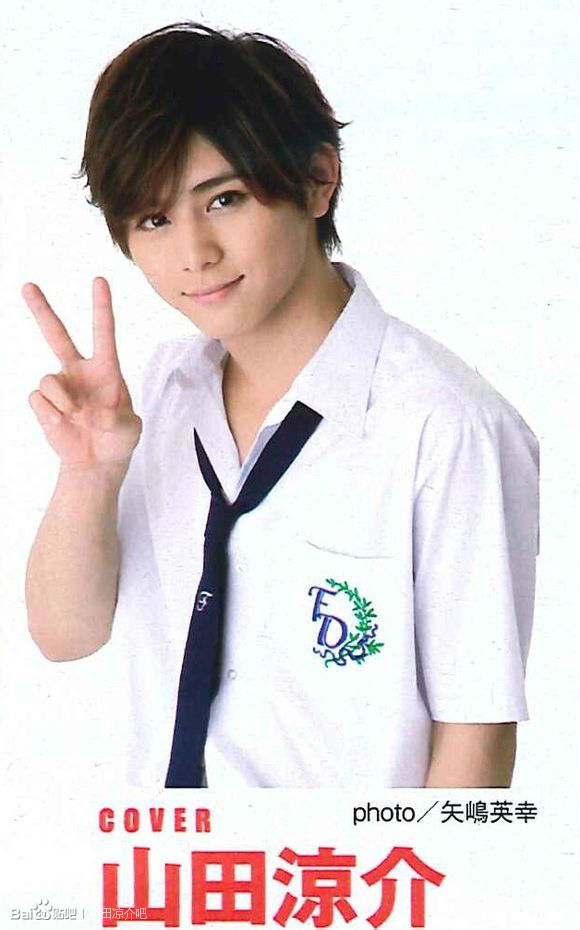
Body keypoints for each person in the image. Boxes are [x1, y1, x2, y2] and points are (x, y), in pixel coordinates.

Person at [22, 22, 539, 789]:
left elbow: (476, 740)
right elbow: (65, 636)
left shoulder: (445, 425)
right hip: (165, 859)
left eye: (224, 200)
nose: (194, 254)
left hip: (337, 864)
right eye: (155, 220)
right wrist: (90, 474)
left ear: (319, 179)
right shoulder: (161, 393)